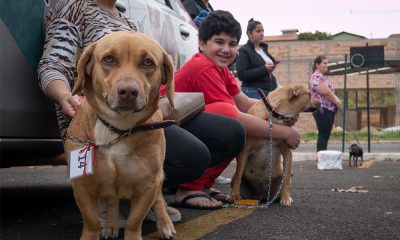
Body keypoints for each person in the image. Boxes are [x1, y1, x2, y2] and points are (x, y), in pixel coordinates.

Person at [37, 0, 245, 223]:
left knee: (231, 132)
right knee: (192, 156)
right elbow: (53, 64)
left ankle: (151, 191)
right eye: (109, 59)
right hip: (100, 121)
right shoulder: (73, 6)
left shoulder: (126, 19)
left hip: (143, 116)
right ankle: (113, 198)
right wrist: (63, 95)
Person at [161, 10, 301, 210]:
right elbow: (235, 115)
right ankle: (186, 189)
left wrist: (278, 115)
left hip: (178, 128)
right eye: (219, 42)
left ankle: (201, 185)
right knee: (229, 121)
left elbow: (245, 102)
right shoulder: (202, 67)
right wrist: (284, 132)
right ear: (201, 44)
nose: (226, 49)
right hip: (160, 129)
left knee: (230, 122)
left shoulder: (221, 70)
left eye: (232, 44)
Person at [236, 18, 279, 99]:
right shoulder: (244, 51)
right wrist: (264, 68)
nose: (262, 33)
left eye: (263, 31)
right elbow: (242, 75)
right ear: (249, 33)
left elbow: (265, 72)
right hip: (253, 92)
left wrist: (271, 68)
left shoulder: (263, 49)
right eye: (258, 31)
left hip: (269, 90)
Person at [309, 55, 341, 152]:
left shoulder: (322, 77)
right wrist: (336, 101)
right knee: (323, 134)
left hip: (328, 109)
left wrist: (336, 100)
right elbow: (326, 92)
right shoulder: (316, 76)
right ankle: (321, 158)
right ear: (317, 64)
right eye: (324, 63)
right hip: (322, 109)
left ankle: (322, 157)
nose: (327, 65)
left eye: (327, 63)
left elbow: (328, 92)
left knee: (325, 134)